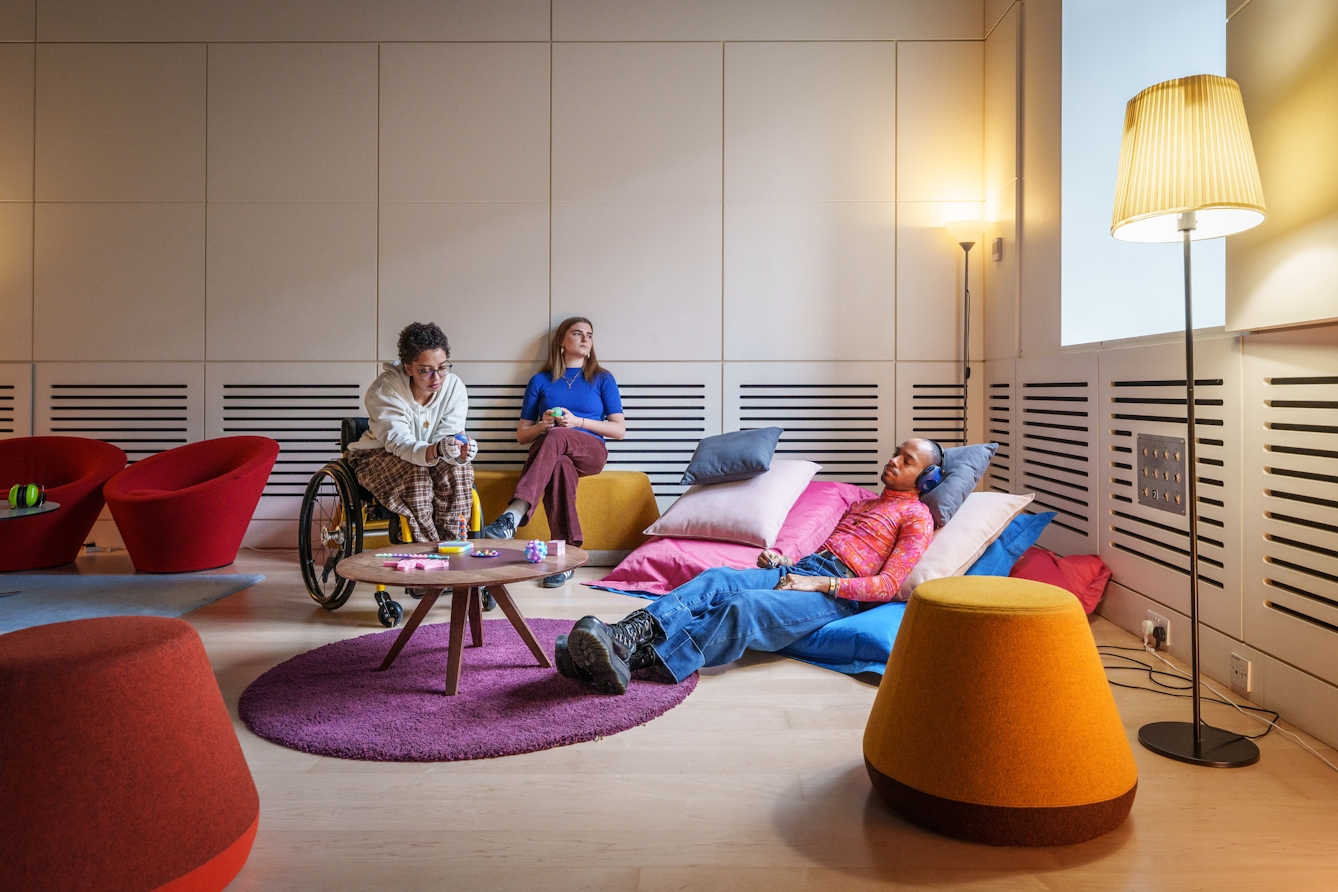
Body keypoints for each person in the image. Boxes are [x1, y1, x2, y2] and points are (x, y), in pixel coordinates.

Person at [557, 439, 943, 694]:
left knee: (743, 607)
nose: (893, 460)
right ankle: (624, 634)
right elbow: (828, 551)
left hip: (834, 595)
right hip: (801, 570)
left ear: (927, 478)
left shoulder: (917, 517)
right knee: (716, 579)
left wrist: (819, 586)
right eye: (897, 452)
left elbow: (888, 585)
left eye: (906, 461)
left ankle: (639, 662)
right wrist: (786, 562)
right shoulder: (863, 503)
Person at [479, 317, 625, 587]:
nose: (585, 339)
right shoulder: (540, 381)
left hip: (591, 451)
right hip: (554, 450)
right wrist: (542, 426)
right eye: (578, 334)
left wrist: (577, 422)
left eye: (589, 335)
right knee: (560, 467)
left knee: (558, 436)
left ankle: (514, 513)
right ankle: (566, 559)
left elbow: (618, 430)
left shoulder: (602, 379)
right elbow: (522, 435)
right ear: (561, 341)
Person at [347, 322, 477, 543]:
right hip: (378, 454)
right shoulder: (385, 390)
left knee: (459, 473)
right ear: (409, 368)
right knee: (417, 477)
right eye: (425, 371)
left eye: (443, 367)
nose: (436, 378)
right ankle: (426, 551)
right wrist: (437, 449)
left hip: (429, 455)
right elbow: (400, 442)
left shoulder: (454, 387)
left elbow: (448, 437)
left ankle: (454, 548)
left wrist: (459, 451)